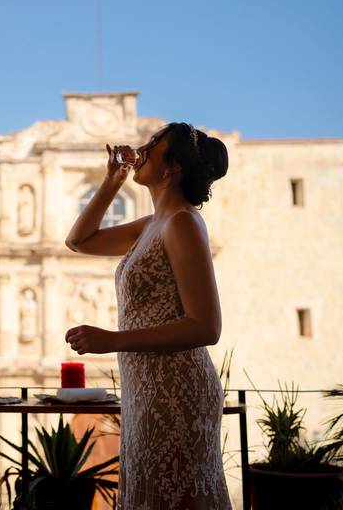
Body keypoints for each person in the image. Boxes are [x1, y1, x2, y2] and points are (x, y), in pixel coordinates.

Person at [65, 122, 230, 510]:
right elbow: (78, 241)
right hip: (145, 391)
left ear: (172, 166)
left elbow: (207, 326)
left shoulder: (183, 223)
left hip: (177, 389)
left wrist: (112, 340)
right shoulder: (151, 226)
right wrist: (113, 180)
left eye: (153, 144)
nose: (141, 147)